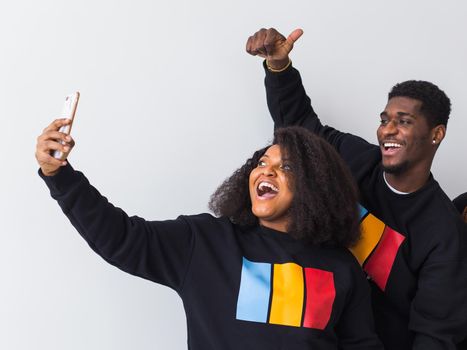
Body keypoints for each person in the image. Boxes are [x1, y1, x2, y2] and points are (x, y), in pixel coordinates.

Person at [36, 120, 383, 349]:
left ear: (315, 186)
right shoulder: (205, 243)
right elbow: (121, 239)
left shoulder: (341, 269)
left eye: (286, 167)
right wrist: (60, 176)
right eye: (262, 163)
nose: (267, 171)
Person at [246, 28, 467, 350]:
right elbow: (300, 129)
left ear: (436, 134)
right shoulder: (357, 160)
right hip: (307, 327)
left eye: (404, 121)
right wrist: (280, 66)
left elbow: (434, 335)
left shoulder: (443, 234)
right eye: (384, 119)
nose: (388, 129)